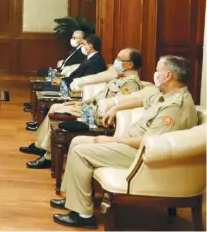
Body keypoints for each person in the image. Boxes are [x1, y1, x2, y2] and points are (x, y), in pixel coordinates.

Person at [50, 55, 198, 228]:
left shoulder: (175, 106)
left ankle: (83, 216)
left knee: (80, 152)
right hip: (135, 147)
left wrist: (111, 140)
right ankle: (73, 200)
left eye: (158, 70)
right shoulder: (166, 95)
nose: (154, 73)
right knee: (77, 141)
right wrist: (116, 107)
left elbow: (151, 143)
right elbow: (143, 100)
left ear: (168, 75)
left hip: (143, 157)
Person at [22, 48, 145, 169]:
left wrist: (86, 107)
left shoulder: (131, 83)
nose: (115, 61)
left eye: (119, 58)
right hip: (91, 109)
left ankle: (47, 156)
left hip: (98, 116)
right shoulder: (119, 78)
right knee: (57, 107)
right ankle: (42, 147)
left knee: (57, 109)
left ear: (129, 64)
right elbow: (100, 95)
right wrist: (81, 102)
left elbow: (114, 105)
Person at [27, 35, 107, 131]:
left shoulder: (96, 60)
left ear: (90, 46)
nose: (83, 46)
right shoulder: (91, 57)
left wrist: (63, 82)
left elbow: (82, 78)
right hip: (71, 83)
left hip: (76, 88)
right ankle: (40, 121)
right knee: (47, 85)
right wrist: (63, 80)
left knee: (48, 87)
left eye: (84, 44)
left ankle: (41, 123)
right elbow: (77, 74)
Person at [23, 31, 86, 112]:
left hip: (65, 76)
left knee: (45, 79)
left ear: (82, 40)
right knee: (41, 72)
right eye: (72, 37)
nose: (72, 40)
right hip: (61, 72)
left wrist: (61, 73)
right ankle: (34, 104)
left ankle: (36, 107)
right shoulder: (75, 49)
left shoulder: (82, 51)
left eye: (75, 38)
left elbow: (74, 68)